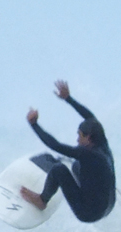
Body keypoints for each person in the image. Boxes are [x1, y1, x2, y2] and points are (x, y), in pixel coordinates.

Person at [21, 80, 116, 223]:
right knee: (76, 165)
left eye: (80, 136)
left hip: (88, 214)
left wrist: (34, 125)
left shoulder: (88, 154)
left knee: (59, 169)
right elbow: (91, 118)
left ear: (88, 137)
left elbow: (54, 145)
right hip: (108, 206)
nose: (77, 139)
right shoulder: (102, 142)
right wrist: (68, 99)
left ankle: (42, 200)